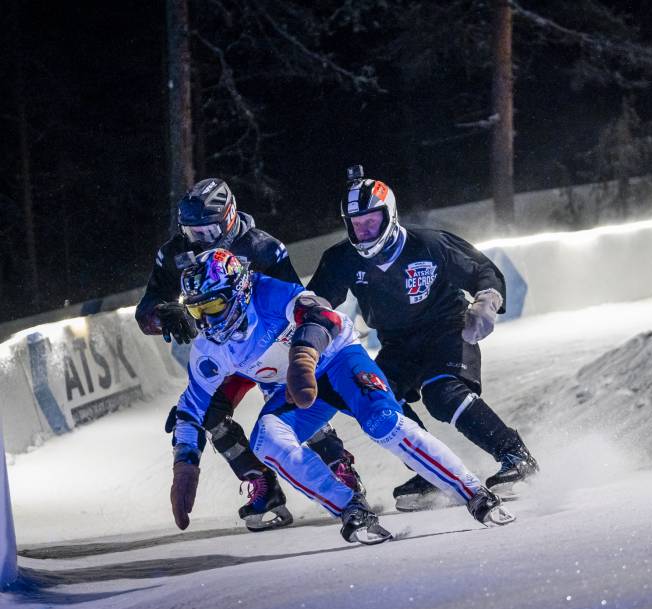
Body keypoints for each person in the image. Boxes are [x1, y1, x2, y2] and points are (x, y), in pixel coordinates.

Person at [171, 248, 514, 543]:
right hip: (297, 383)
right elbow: (191, 407)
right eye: (197, 310)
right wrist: (184, 464)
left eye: (213, 306)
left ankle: (472, 492)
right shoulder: (207, 349)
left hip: (337, 359)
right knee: (266, 440)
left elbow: (324, 317)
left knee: (382, 422)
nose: (207, 321)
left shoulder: (268, 293)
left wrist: (303, 356)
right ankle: (350, 507)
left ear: (240, 289)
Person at [307, 165, 539, 511]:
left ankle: (516, 457)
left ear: (390, 216)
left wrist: (486, 301)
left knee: (442, 394)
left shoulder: (429, 244)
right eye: (356, 224)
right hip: (396, 344)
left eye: (371, 220)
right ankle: (431, 472)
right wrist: (311, 324)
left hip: (446, 329)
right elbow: (318, 299)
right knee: (375, 401)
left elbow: (482, 270)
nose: (365, 230)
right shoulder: (341, 258)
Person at [135, 178, 362, 531]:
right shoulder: (173, 253)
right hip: (224, 355)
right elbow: (147, 308)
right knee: (208, 410)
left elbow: (295, 301)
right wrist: (163, 312)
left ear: (229, 218)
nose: (201, 240)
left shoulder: (263, 248)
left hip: (271, 345)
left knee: (290, 400)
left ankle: (338, 464)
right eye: (193, 232)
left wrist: (300, 357)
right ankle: (261, 482)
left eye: (209, 231)